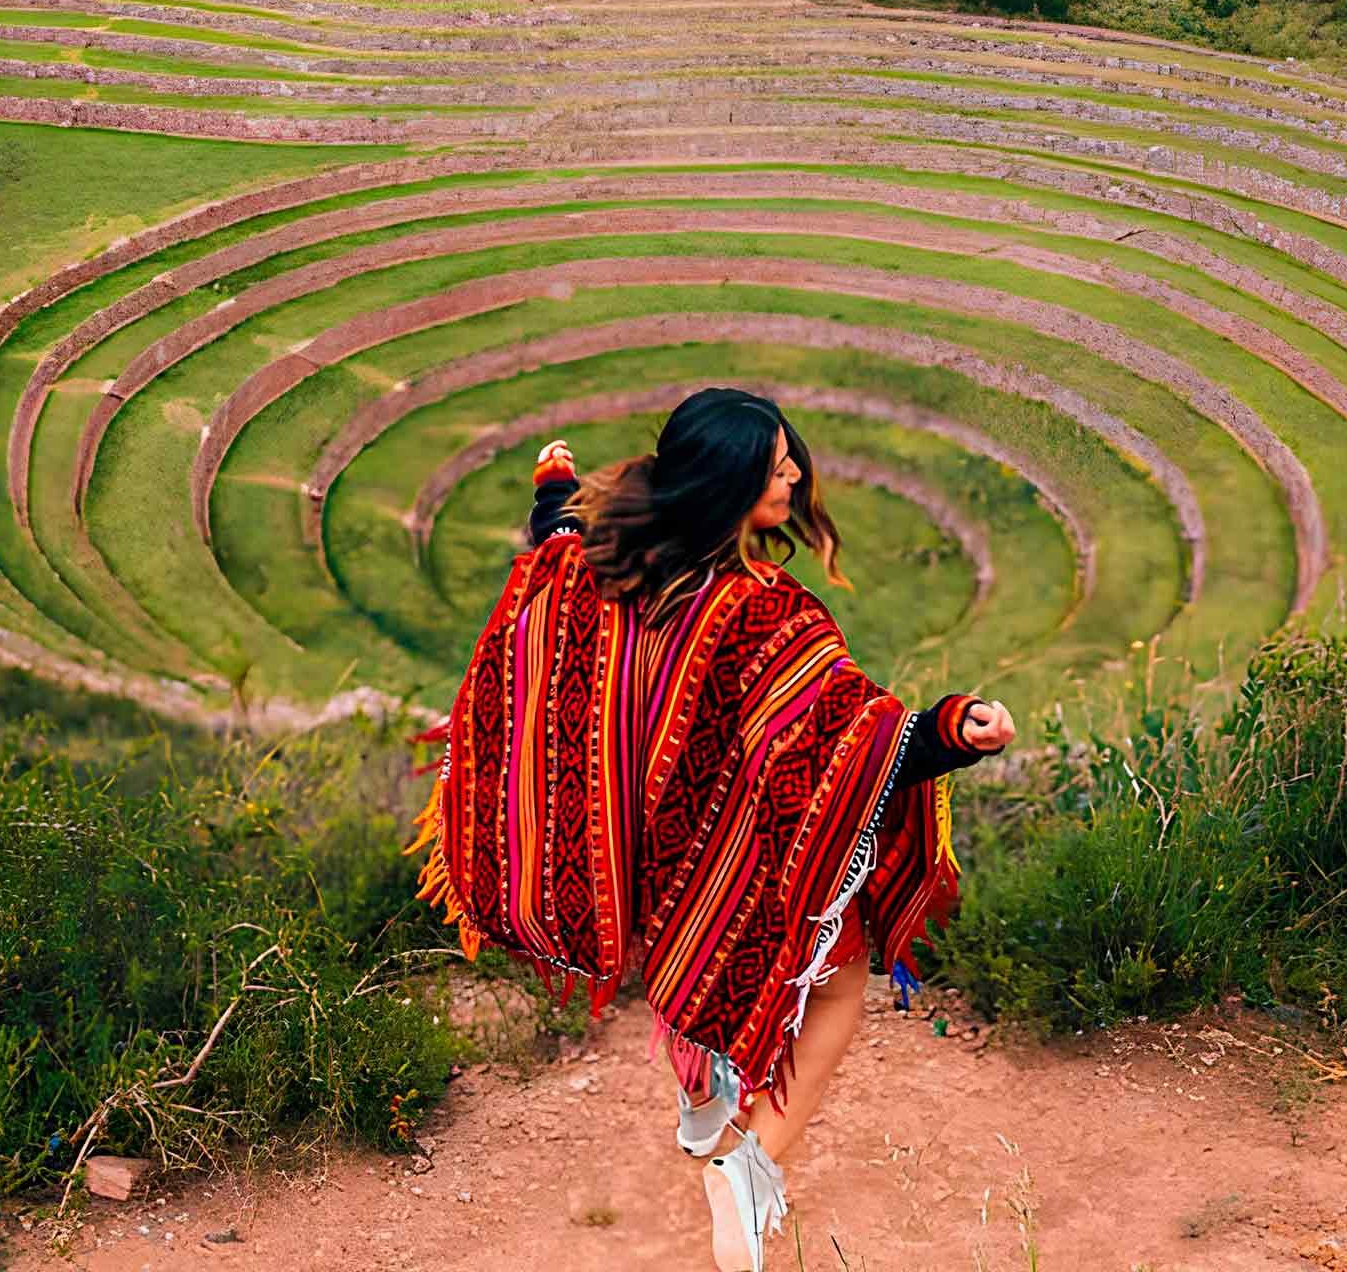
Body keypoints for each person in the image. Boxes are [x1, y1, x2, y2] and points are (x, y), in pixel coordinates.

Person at [403, 388, 1015, 1270]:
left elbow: (554, 548)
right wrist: (956, 729)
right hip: (733, 846)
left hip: (639, 845)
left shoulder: (610, 564)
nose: (798, 473)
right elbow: (853, 742)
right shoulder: (765, 611)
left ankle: (702, 1111)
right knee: (837, 989)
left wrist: (553, 489)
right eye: (777, 466)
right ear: (728, 485)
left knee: (684, 954)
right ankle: (747, 1165)